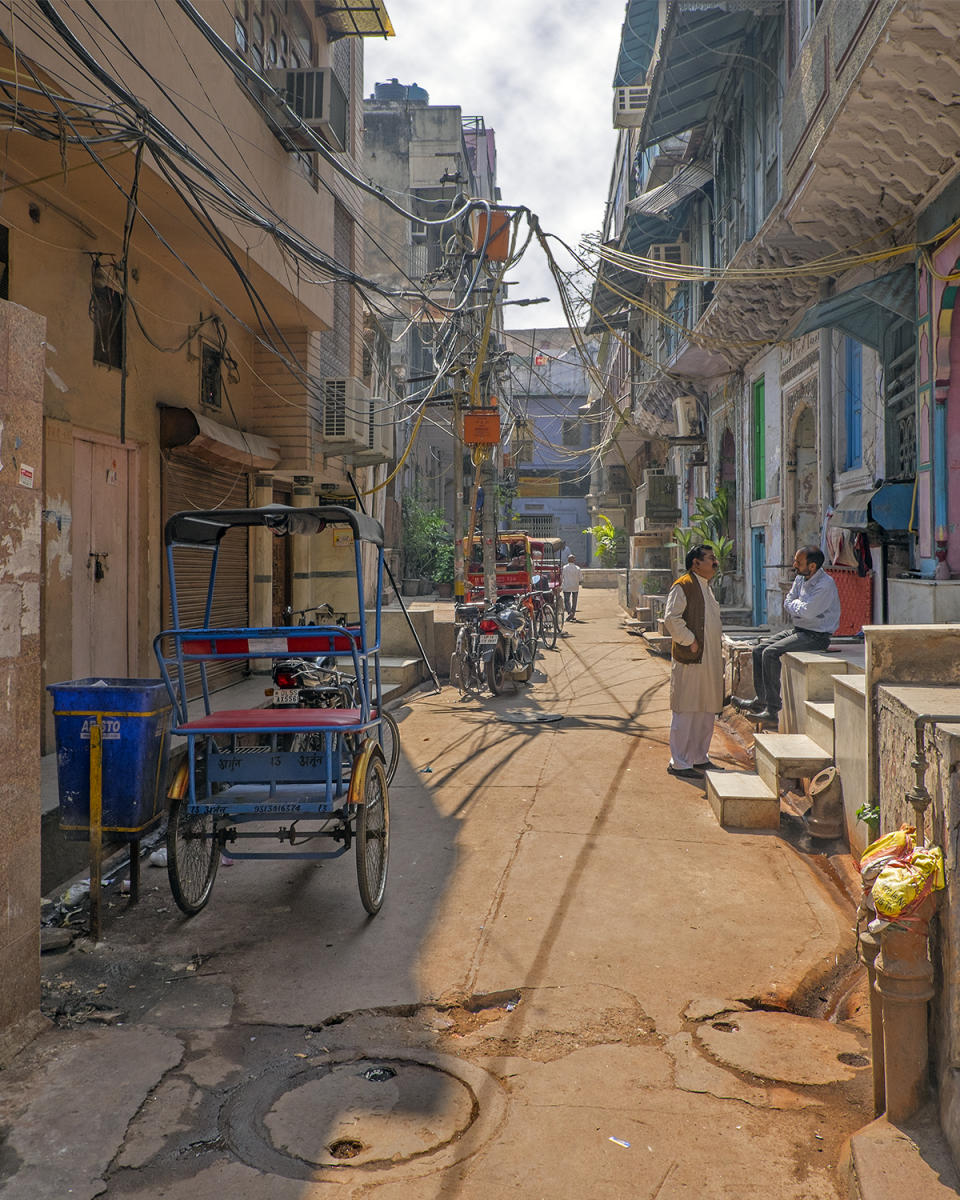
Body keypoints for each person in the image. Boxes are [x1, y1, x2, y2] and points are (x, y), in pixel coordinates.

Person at [734, 545, 841, 723]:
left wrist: (797, 606)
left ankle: (773, 710)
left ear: (812, 566)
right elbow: (788, 601)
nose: (794, 565)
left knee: (770, 654)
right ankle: (760, 701)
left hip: (816, 636)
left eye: (798, 562)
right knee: (759, 649)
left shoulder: (825, 585)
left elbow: (806, 611)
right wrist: (799, 606)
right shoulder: (801, 578)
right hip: (799, 630)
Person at [663, 545, 723, 778]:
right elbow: (671, 618)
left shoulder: (706, 587)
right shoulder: (684, 586)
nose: (715, 562)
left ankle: (699, 757)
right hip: (691, 658)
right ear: (696, 563)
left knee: (705, 710)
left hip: (708, 660)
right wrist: (690, 641)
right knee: (687, 710)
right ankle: (680, 762)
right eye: (710, 558)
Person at [561, 553, 582, 620]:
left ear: (568, 560)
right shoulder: (578, 568)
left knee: (566, 600)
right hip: (575, 587)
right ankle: (572, 613)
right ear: (574, 560)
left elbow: (562, 577)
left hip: (567, 586)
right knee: (574, 601)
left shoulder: (564, 568)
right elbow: (580, 578)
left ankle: (570, 612)